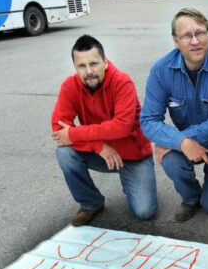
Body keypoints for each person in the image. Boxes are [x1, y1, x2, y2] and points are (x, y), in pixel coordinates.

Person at [141, 8, 208, 222]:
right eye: (187, 36)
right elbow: (148, 120)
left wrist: (180, 139)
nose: (195, 41)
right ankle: (191, 197)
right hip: (187, 140)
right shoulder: (161, 70)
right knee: (169, 156)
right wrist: (181, 142)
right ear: (176, 41)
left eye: (200, 33)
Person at [52, 35, 157, 226]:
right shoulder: (70, 86)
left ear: (105, 62)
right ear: (75, 67)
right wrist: (99, 146)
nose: (89, 71)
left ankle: (132, 178)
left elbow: (122, 126)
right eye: (82, 66)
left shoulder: (122, 82)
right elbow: (59, 129)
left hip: (134, 156)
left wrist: (75, 133)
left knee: (144, 211)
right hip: (102, 153)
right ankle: (91, 202)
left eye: (94, 63)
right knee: (64, 152)